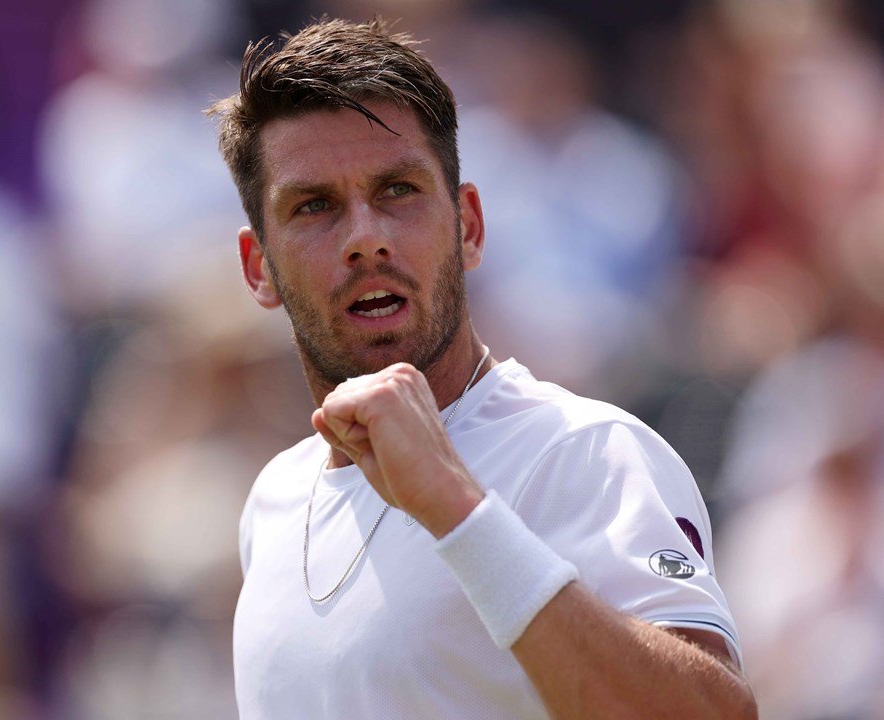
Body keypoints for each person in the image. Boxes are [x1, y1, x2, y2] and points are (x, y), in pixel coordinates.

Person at [207, 17, 756, 719]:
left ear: (467, 226)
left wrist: (458, 510)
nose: (366, 238)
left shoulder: (585, 450)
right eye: (314, 207)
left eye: (398, 191)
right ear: (260, 269)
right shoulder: (273, 501)